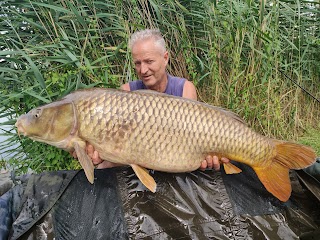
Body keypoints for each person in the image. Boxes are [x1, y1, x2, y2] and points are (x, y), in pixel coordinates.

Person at [73, 28, 230, 171]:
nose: (143, 70)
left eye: (149, 61)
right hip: (139, 172)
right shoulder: (126, 93)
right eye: (138, 63)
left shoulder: (185, 89)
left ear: (165, 58)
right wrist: (99, 158)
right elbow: (121, 151)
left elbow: (195, 144)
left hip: (178, 169)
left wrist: (209, 157)